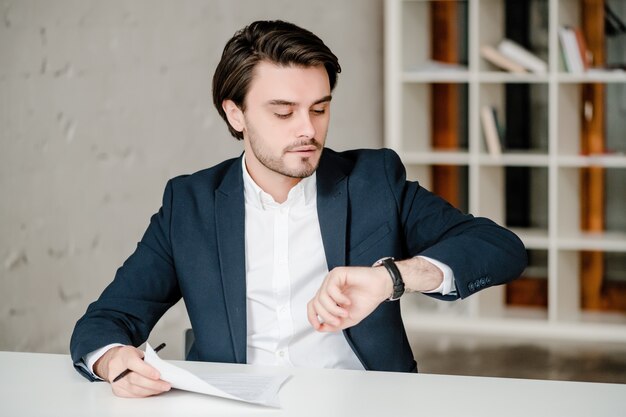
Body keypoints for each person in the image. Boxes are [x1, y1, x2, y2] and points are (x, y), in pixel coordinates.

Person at [70, 19, 527, 398]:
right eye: (283, 112)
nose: (307, 130)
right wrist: (114, 361)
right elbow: (107, 320)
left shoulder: (373, 182)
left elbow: (500, 248)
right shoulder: (189, 204)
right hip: (233, 407)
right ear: (235, 114)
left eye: (320, 109)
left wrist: (393, 277)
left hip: (365, 403)